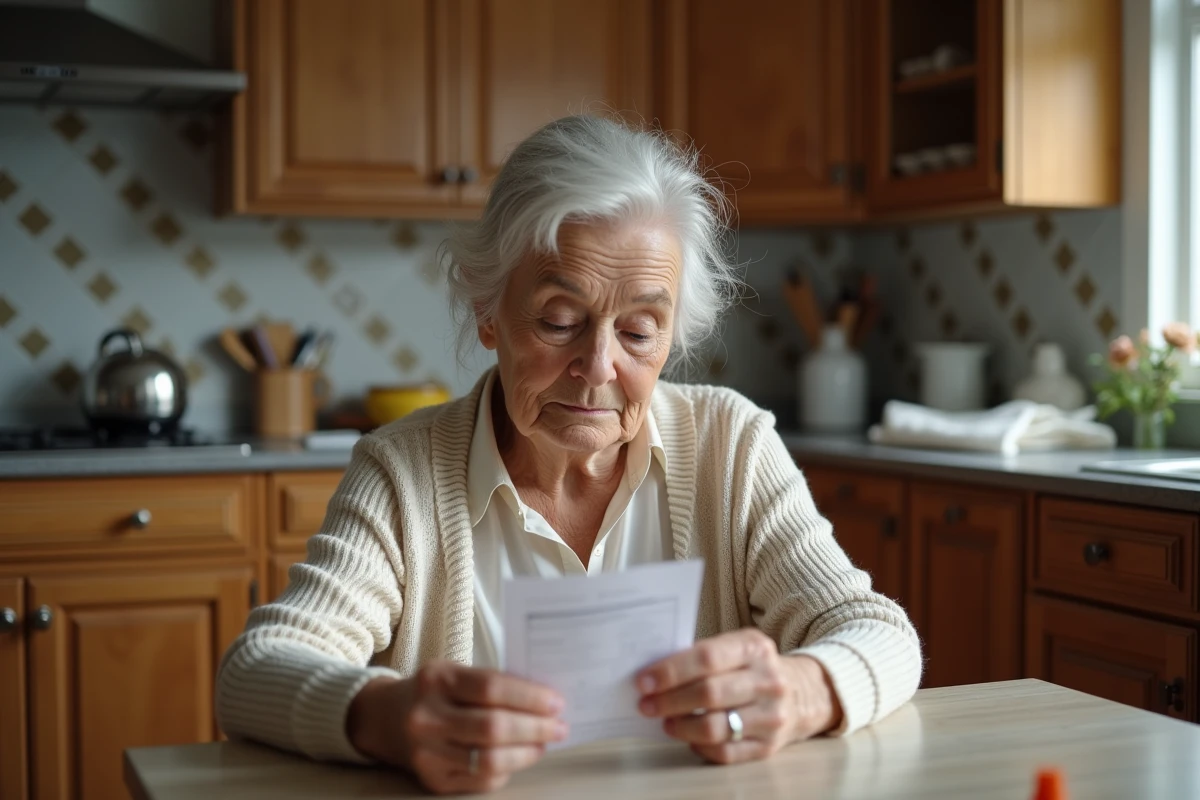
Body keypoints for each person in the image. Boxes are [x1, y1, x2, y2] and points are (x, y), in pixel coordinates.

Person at [215, 114, 921, 796]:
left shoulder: (729, 446)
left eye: (640, 331)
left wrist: (799, 692)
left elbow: (878, 634)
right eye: (559, 321)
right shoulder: (404, 470)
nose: (598, 366)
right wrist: (388, 718)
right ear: (490, 313)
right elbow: (254, 671)